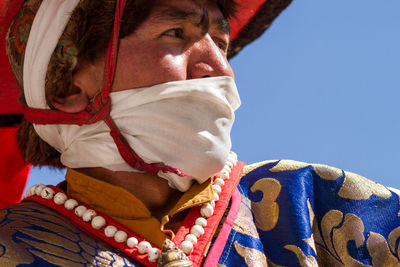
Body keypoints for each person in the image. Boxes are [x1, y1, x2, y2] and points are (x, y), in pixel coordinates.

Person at [0, 0, 400, 266]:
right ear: (67, 86)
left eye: (222, 44)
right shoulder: (10, 245)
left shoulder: (321, 202)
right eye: (176, 33)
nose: (220, 69)